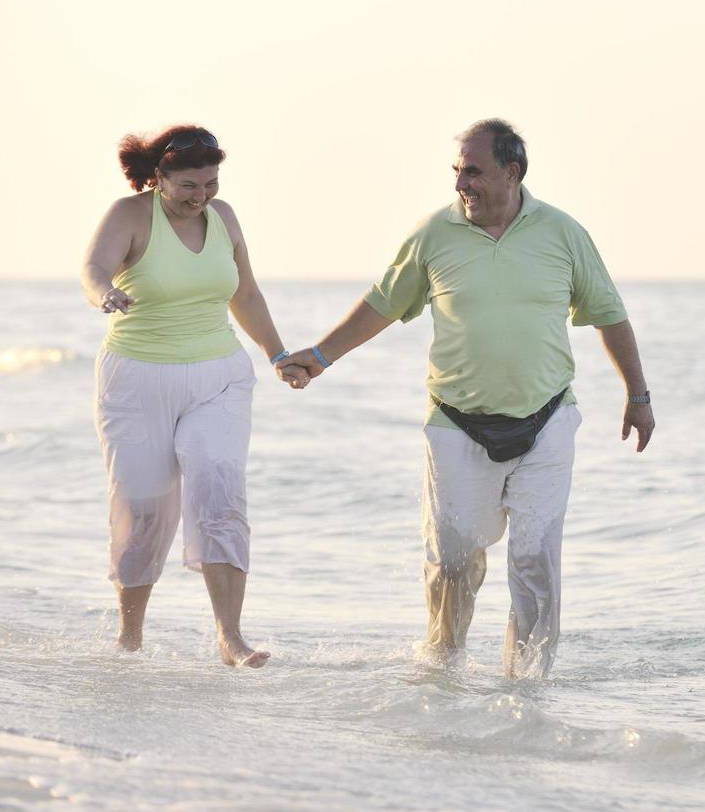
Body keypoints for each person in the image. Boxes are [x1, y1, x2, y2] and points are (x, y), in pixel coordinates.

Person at [277, 118, 654, 678]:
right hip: (456, 422)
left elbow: (608, 313)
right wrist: (322, 355)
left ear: (512, 172)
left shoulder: (563, 233)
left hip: (548, 418)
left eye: (473, 172)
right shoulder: (434, 234)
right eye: (456, 172)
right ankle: (443, 667)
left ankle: (527, 685)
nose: (462, 183)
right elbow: (383, 303)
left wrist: (638, 394)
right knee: (453, 558)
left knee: (534, 557)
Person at [80, 124, 306, 668]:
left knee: (220, 487)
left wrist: (278, 356)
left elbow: (245, 292)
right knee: (144, 509)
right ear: (158, 178)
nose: (200, 196)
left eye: (210, 183)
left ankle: (231, 638)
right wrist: (105, 292)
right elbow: (92, 268)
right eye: (188, 185)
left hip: (218, 378)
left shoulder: (223, 217)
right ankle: (129, 637)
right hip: (136, 381)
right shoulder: (129, 216)